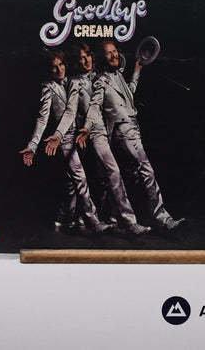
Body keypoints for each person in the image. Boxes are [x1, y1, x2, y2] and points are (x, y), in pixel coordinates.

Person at [44, 43, 151, 236]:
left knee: (102, 179)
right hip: (92, 134)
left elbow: (126, 96)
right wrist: (59, 135)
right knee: (110, 173)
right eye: (81, 57)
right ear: (76, 62)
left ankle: (92, 218)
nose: (86, 60)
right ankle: (129, 222)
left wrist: (136, 72)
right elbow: (70, 111)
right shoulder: (75, 82)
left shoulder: (102, 77)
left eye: (88, 55)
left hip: (110, 133)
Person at [79, 39, 185, 232]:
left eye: (114, 52)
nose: (113, 55)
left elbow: (129, 94)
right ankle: (162, 218)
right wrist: (87, 127)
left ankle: (114, 217)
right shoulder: (102, 80)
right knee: (146, 170)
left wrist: (136, 71)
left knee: (131, 175)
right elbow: (94, 105)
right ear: (103, 58)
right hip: (123, 130)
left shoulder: (118, 76)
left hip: (133, 127)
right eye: (108, 53)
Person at [19, 48, 110, 233]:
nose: (59, 69)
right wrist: (33, 145)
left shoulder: (74, 81)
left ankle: (62, 219)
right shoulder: (48, 87)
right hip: (63, 139)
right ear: (49, 70)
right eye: (54, 67)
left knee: (71, 183)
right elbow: (42, 118)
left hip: (80, 137)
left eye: (61, 65)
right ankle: (94, 221)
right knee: (80, 178)